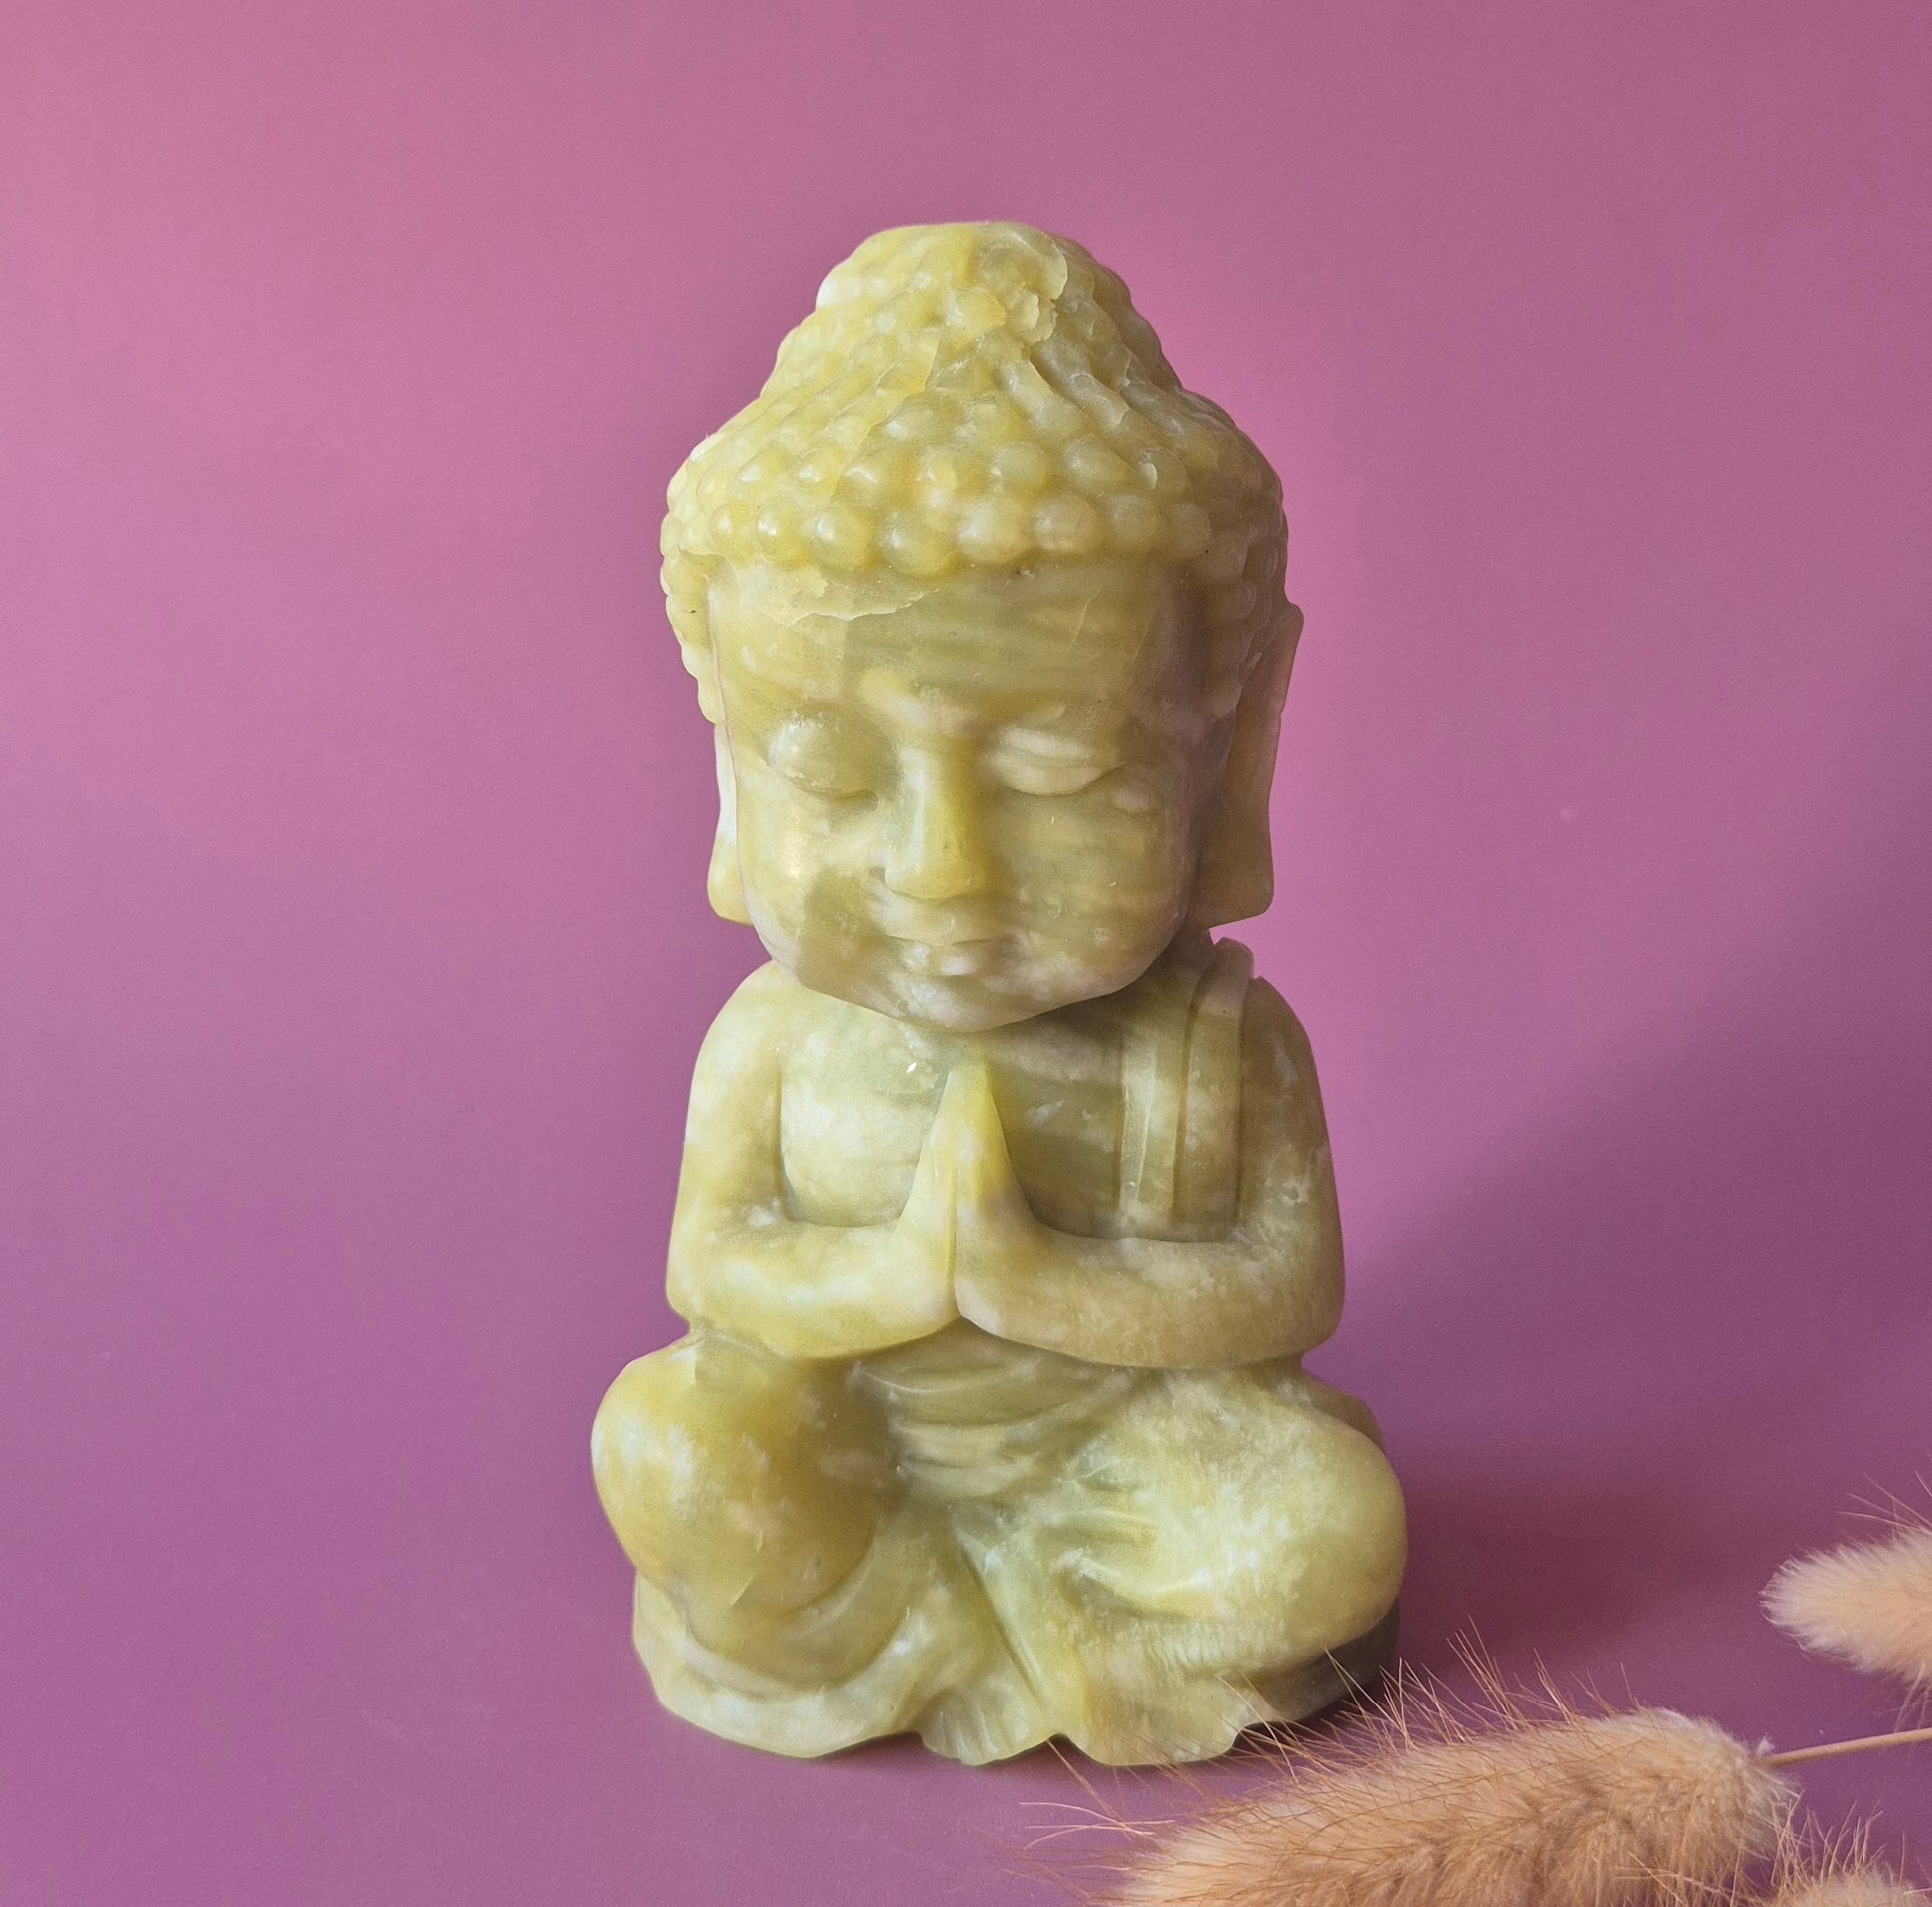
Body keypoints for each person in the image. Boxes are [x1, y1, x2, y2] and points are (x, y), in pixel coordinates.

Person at [592, 223, 1405, 1764]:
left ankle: (1051, 1621)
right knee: (665, 1439)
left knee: (1323, 1523)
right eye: (830, 769)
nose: (942, 868)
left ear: (1223, 758)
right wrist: (899, 1278)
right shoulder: (779, 1038)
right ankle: (923, 1614)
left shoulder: (1213, 1044)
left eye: (1057, 769)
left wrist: (1040, 1287)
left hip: (1128, 1457)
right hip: (860, 1446)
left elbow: (1286, 1291)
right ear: (731, 778)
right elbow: (716, 1264)